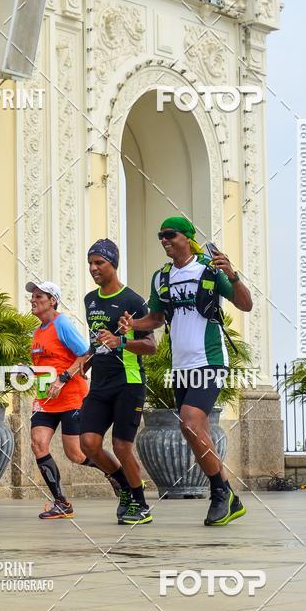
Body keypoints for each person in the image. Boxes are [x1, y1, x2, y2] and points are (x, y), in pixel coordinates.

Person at [119, 216, 253, 527]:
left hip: (209, 360)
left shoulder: (209, 268)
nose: (164, 240)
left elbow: (245, 304)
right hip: (180, 365)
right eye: (160, 235)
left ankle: (220, 493)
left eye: (170, 234)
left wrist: (232, 275)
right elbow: (155, 318)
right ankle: (227, 495)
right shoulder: (162, 277)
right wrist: (133, 325)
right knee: (196, 432)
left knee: (191, 425)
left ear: (188, 237)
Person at [79, 239, 157, 525]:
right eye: (90, 263)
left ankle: (141, 503)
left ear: (113, 263)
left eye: (99, 262)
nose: (93, 268)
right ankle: (124, 484)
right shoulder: (90, 300)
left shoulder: (133, 302)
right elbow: (96, 342)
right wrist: (85, 361)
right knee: (88, 443)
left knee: (122, 446)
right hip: (100, 383)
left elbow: (151, 346)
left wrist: (121, 341)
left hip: (128, 381)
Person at [27, 280, 116, 519]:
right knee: (38, 444)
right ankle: (61, 502)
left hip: (71, 396)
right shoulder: (37, 332)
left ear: (52, 301)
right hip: (45, 399)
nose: (33, 300)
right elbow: (46, 364)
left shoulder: (62, 323)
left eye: (39, 296)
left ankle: (116, 472)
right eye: (32, 297)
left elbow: (87, 353)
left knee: (75, 454)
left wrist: (63, 379)